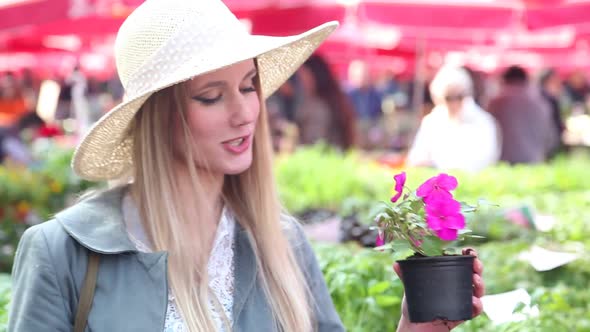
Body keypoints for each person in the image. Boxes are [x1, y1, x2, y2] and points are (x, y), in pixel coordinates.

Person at [9, 0, 484, 331]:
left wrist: (416, 327)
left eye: (248, 86)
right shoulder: (61, 254)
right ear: (158, 119)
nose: (244, 113)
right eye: (212, 96)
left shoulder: (282, 244)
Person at [407, 65, 500, 172]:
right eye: (449, 98)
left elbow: (487, 158)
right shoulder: (432, 122)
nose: (454, 102)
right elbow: (416, 157)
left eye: (459, 96)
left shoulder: (483, 122)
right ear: (438, 98)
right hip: (437, 184)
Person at [488, 65, 557, 164]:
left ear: (504, 80)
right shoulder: (540, 103)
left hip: (502, 166)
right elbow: (551, 138)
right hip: (534, 163)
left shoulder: (495, 102)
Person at [295, 54, 356, 150]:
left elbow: (314, 143)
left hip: (322, 160)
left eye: (304, 77)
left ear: (315, 76)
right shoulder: (335, 100)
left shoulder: (318, 106)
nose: (302, 82)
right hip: (336, 157)